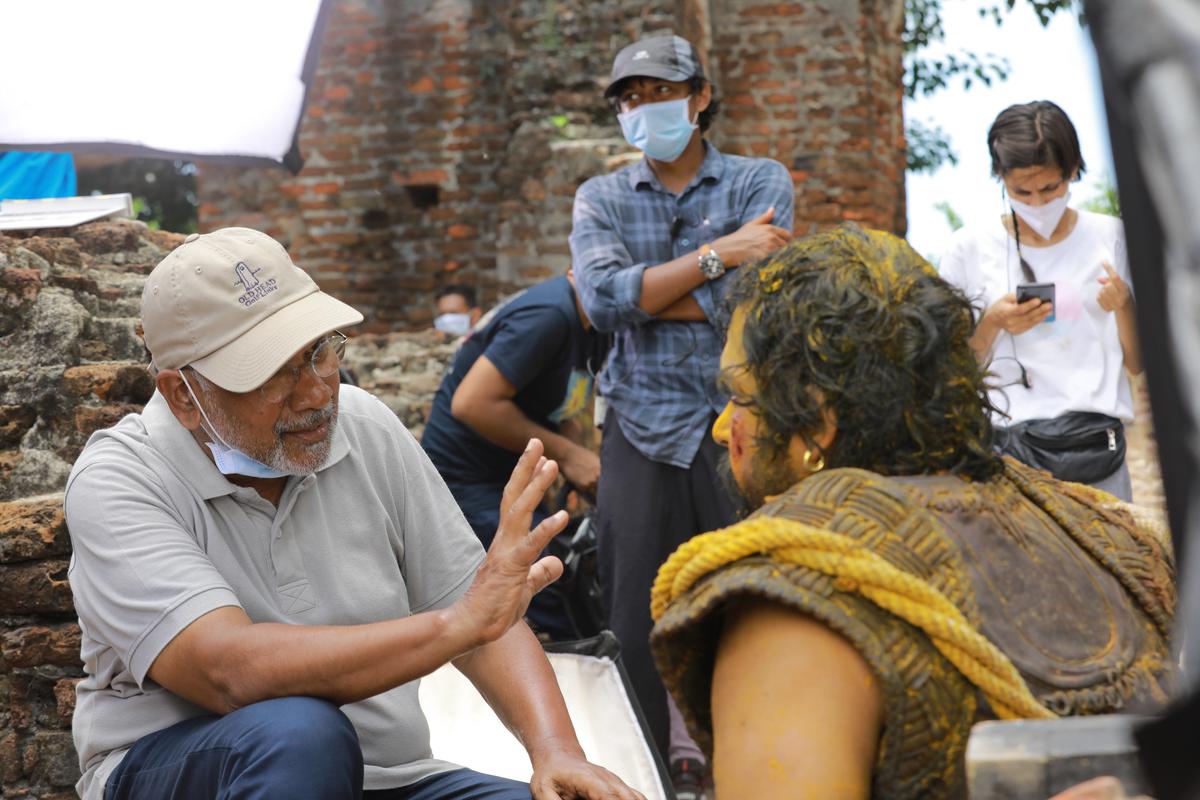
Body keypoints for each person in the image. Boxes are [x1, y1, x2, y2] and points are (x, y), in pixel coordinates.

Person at [64, 227, 642, 800]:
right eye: (274, 374)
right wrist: (456, 625)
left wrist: (556, 751)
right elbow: (228, 674)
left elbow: (482, 619)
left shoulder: (362, 426)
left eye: (320, 352)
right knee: (301, 734)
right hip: (196, 770)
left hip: (389, 777)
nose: (316, 392)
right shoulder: (122, 479)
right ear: (184, 396)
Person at [649, 225, 1175, 799]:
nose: (724, 428)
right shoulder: (1106, 530)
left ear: (818, 420)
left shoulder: (795, 595)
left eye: (742, 396)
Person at [568, 33, 794, 791]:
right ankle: (649, 776)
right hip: (639, 423)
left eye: (659, 93)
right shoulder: (601, 196)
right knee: (632, 616)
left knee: (746, 599)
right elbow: (599, 305)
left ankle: (745, 767)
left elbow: (759, 309)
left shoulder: (760, 179)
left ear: (699, 96)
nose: (643, 109)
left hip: (740, 427)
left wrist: (650, 294)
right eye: (629, 98)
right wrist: (718, 256)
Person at [939, 100, 1142, 501]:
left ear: (1072, 171)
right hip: (1007, 457)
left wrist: (1123, 304)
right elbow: (950, 374)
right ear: (1000, 178)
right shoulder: (968, 248)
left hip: (1096, 453)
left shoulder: (1111, 236)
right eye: (1021, 191)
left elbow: (1137, 362)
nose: (1036, 203)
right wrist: (993, 322)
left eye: (1050, 189)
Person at [421, 272, 605, 640]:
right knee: (553, 589)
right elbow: (472, 403)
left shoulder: (596, 326)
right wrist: (569, 456)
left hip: (509, 483)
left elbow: (566, 406)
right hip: (461, 486)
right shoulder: (548, 315)